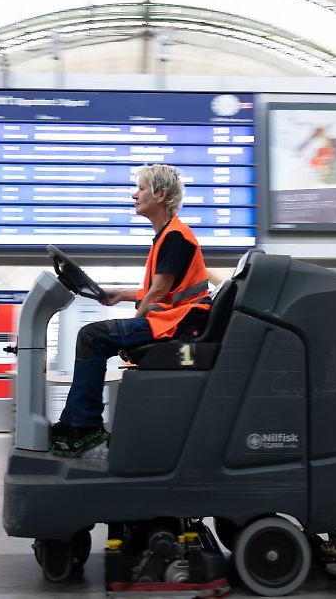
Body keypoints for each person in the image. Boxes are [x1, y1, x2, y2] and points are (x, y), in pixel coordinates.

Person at [50, 164, 211, 457]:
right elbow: (160, 291)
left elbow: (159, 292)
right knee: (92, 337)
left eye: (141, 188)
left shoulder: (176, 236)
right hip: (172, 319)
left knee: (93, 336)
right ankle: (69, 424)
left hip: (179, 322)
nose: (134, 195)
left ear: (160, 194)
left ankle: (85, 428)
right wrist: (120, 294)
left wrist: (130, 332)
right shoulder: (168, 235)